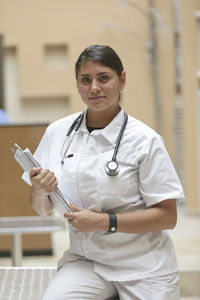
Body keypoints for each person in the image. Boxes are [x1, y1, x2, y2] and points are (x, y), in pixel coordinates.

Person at [23, 45, 184, 300]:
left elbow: (167, 217)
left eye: (103, 78)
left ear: (122, 80)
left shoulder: (145, 141)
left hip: (144, 267)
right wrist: (38, 190)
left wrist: (104, 221)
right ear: (77, 84)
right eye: (85, 80)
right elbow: (42, 208)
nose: (94, 88)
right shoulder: (58, 132)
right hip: (88, 262)